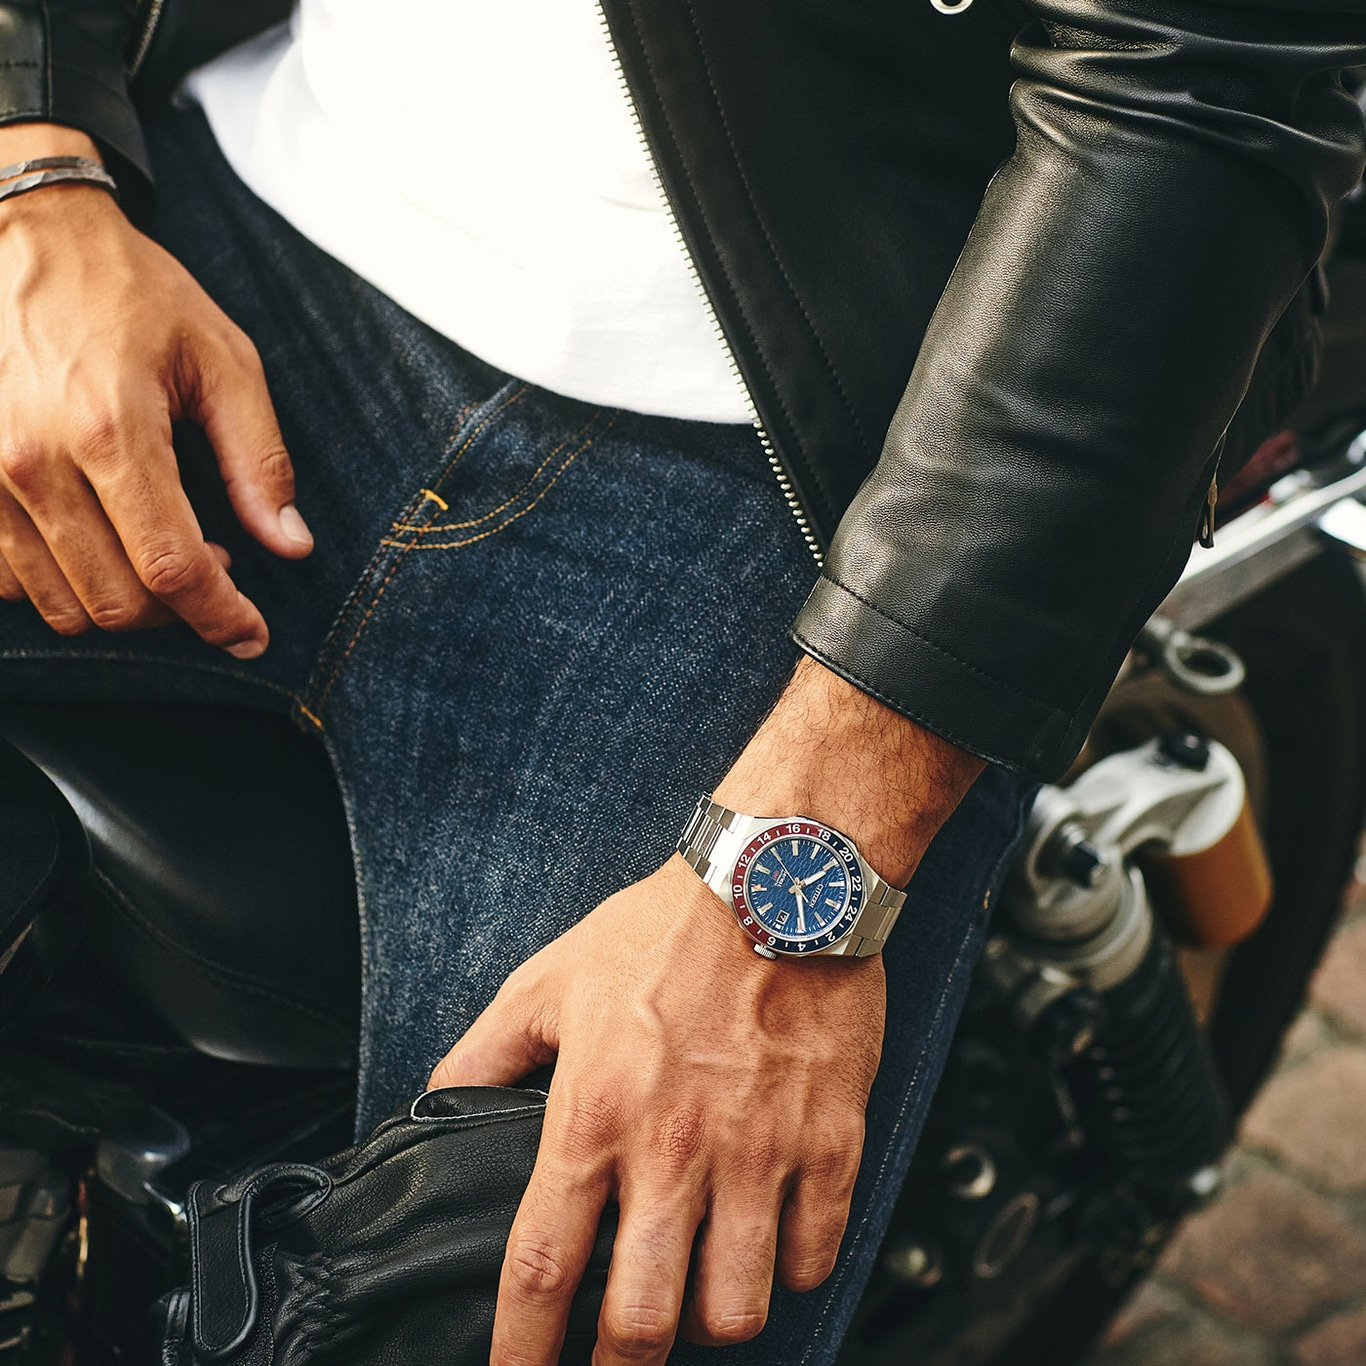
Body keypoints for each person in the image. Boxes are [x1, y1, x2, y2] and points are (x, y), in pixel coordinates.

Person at [0, 2, 1360, 1363]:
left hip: (818, 447)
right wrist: (34, 144)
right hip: (209, 198)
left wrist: (804, 864)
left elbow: (1193, 90)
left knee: (573, 1296)